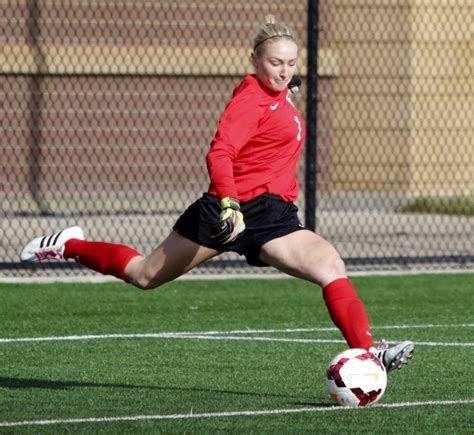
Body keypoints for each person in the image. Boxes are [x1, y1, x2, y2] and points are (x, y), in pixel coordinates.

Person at [20, 16, 413, 373]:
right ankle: (70, 244)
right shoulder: (250, 101)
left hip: (273, 217)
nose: (284, 70)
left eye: (291, 64)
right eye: (275, 62)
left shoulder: (280, 92)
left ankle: (367, 353)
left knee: (330, 265)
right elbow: (220, 152)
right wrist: (228, 202)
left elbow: (283, 93)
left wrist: (289, 83)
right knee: (144, 275)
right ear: (254, 59)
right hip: (227, 211)